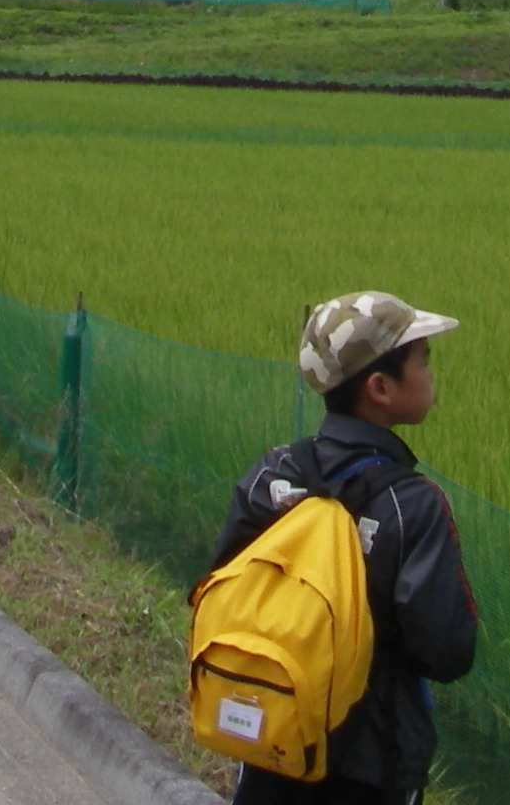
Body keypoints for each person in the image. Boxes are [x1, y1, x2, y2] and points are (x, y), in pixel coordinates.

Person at [203, 293, 478, 805]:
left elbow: (219, 588)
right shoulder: (411, 505)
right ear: (380, 387)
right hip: (371, 766)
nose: (431, 373)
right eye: (423, 360)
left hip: (272, 740)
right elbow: (447, 652)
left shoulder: (270, 475)